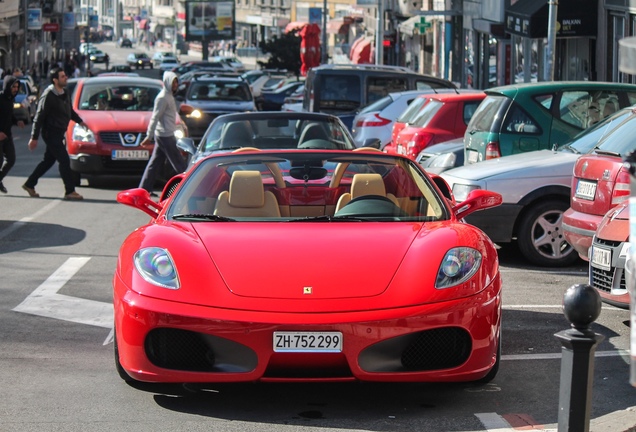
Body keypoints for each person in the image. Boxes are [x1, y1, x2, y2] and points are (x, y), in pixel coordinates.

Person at [23, 67, 87, 200]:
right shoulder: (48, 95)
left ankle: (30, 183)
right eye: (62, 76)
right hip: (51, 133)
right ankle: (70, 191)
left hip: (59, 132)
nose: (65, 78)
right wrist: (34, 137)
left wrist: (80, 121)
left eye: (65, 75)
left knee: (48, 161)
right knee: (64, 160)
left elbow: (69, 111)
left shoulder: (65, 92)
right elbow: (39, 117)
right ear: (55, 80)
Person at [138, 71, 187, 196]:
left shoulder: (169, 96)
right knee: (179, 164)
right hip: (165, 135)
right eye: (173, 82)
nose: (175, 84)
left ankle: (144, 189)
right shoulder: (162, 97)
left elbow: (170, 117)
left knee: (154, 163)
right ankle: (189, 188)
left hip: (166, 133)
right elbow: (155, 117)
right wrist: (149, 136)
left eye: (176, 82)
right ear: (167, 82)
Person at [0, 76, 26, 193]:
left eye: (17, 87)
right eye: (13, 87)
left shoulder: (11, 99)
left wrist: (17, 121)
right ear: (7, 87)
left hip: (7, 135)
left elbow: (9, 115)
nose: (16, 89)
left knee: (11, 159)